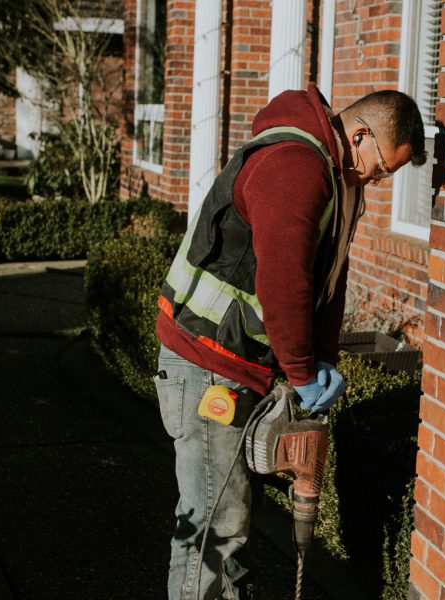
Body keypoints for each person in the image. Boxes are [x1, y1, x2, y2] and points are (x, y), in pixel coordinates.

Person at [154, 83, 427, 599]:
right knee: (213, 529)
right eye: (383, 167)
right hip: (206, 362)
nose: (379, 179)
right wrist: (302, 373)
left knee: (233, 523)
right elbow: (283, 285)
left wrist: (320, 358)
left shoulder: (339, 177)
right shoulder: (296, 168)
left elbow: (330, 279)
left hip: (235, 362)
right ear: (360, 134)